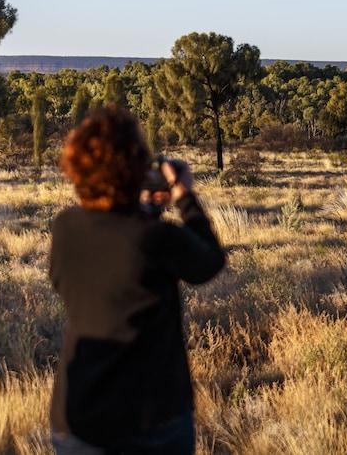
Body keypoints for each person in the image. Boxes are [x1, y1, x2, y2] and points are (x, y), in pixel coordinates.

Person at [49, 105, 225, 454]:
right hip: (148, 418)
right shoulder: (155, 237)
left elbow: (115, 236)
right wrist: (184, 197)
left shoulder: (65, 227)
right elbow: (209, 262)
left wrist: (144, 206)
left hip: (77, 415)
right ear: (135, 168)